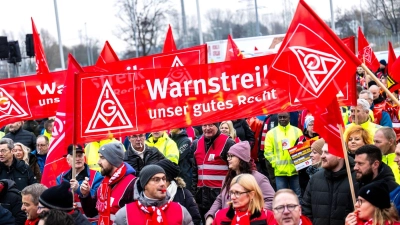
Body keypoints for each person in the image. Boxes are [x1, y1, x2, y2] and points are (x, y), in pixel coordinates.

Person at [205, 141, 275, 225]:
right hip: (227, 221)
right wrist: (210, 215)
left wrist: (252, 214)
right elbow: (220, 199)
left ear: (241, 158)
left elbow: (271, 200)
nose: (228, 159)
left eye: (231, 156)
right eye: (228, 156)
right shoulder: (228, 179)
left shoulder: (258, 178)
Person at [113, 165, 193, 225]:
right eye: (156, 180)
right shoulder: (125, 213)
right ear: (144, 185)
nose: (162, 184)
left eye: (164, 179)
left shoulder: (180, 211)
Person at [79, 142, 136, 225]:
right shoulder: (104, 183)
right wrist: (85, 195)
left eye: (102, 158)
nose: (98, 162)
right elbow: (91, 213)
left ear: (112, 160)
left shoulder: (132, 183)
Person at [302, 143, 357, 225]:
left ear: (339, 155)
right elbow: (306, 209)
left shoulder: (356, 179)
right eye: (322, 152)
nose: (322, 156)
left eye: (327, 152)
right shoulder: (315, 178)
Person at [191, 122, 236, 223]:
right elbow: (194, 172)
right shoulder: (195, 144)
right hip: (201, 196)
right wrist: (193, 195)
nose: (207, 128)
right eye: (204, 125)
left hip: (220, 195)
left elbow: (234, 171)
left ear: (217, 126)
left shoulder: (228, 143)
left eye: (211, 125)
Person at [56, 144, 103, 222]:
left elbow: (97, 202)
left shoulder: (97, 177)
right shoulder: (60, 178)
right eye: (74, 156)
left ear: (84, 158)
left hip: (89, 222)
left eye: (80, 155)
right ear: (68, 160)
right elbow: (57, 202)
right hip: (68, 221)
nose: (78, 159)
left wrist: (79, 190)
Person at [264, 112, 303, 197]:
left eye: (284, 117)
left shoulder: (298, 131)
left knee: (297, 196)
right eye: (280, 117)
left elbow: (302, 149)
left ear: (289, 118)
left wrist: (300, 164)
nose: (282, 119)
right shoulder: (271, 133)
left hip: (295, 171)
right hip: (280, 172)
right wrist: (276, 164)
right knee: (282, 197)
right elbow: (267, 152)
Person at [212, 174, 276, 225]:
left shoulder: (268, 216)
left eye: (237, 193)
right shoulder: (221, 215)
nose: (232, 197)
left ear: (251, 194)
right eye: (231, 192)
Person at [156, 159, 201, 225]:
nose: (160, 183)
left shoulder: (184, 194)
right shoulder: (152, 193)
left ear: (168, 178)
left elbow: (195, 219)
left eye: (162, 179)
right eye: (156, 179)